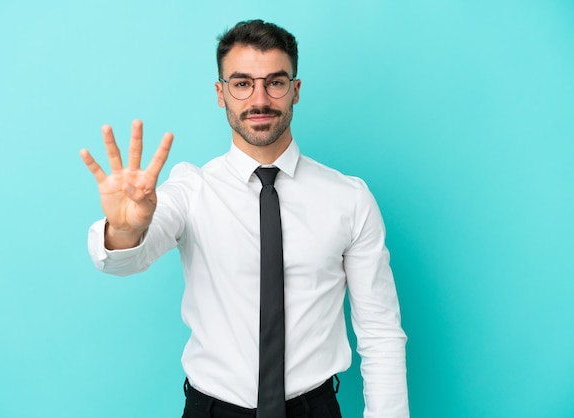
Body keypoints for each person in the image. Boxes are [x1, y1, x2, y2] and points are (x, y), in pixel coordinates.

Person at [80, 19, 408, 418]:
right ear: (221, 93)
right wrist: (126, 228)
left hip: (314, 409)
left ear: (295, 91)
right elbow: (126, 259)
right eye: (241, 83)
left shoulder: (349, 199)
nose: (260, 99)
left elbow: (380, 332)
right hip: (213, 411)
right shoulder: (190, 190)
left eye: (275, 82)